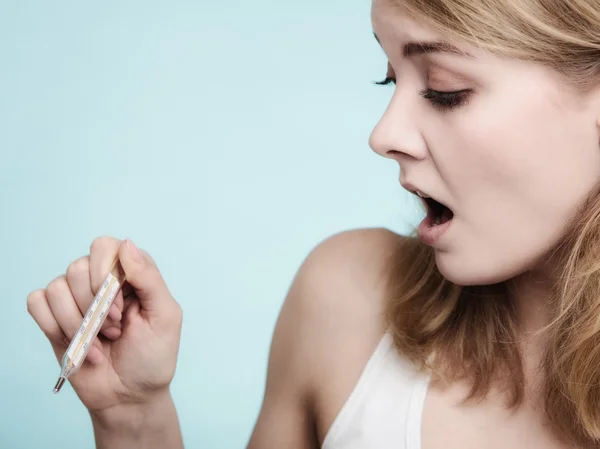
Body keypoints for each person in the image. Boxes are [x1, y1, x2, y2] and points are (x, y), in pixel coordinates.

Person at [26, 0, 600, 447]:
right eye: (388, 77)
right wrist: (133, 418)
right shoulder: (346, 301)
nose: (384, 135)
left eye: (446, 91)